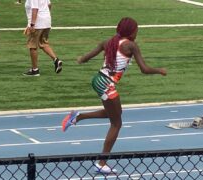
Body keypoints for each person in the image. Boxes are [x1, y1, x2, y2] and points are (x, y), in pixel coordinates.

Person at [61, 17, 167, 174]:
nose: (137, 32)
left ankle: (77, 117)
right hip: (106, 84)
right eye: (136, 30)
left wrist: (80, 59)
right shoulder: (131, 45)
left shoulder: (108, 42)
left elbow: (87, 57)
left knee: (115, 114)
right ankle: (101, 162)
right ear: (131, 32)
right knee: (116, 123)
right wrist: (159, 70)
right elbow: (144, 69)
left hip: (98, 80)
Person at [23, 0, 62, 76]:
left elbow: (35, 9)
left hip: (38, 23)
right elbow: (49, 5)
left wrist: (32, 25)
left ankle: (35, 70)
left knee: (32, 46)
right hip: (46, 22)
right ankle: (56, 60)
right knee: (43, 43)